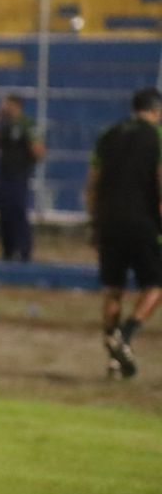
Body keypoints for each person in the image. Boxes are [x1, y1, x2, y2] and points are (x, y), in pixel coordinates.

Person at [85, 87, 162, 380]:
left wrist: (95, 223)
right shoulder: (157, 136)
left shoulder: (108, 135)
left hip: (109, 222)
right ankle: (126, 336)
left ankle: (114, 360)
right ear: (156, 110)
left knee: (113, 288)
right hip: (143, 222)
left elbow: (92, 185)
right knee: (155, 283)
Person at [0, 94, 44, 261]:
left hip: (19, 174)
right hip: (3, 174)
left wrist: (26, 158)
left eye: (7, 105)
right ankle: (7, 251)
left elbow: (38, 150)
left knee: (18, 210)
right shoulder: (3, 125)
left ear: (16, 105)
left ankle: (24, 251)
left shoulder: (27, 124)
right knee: (4, 212)